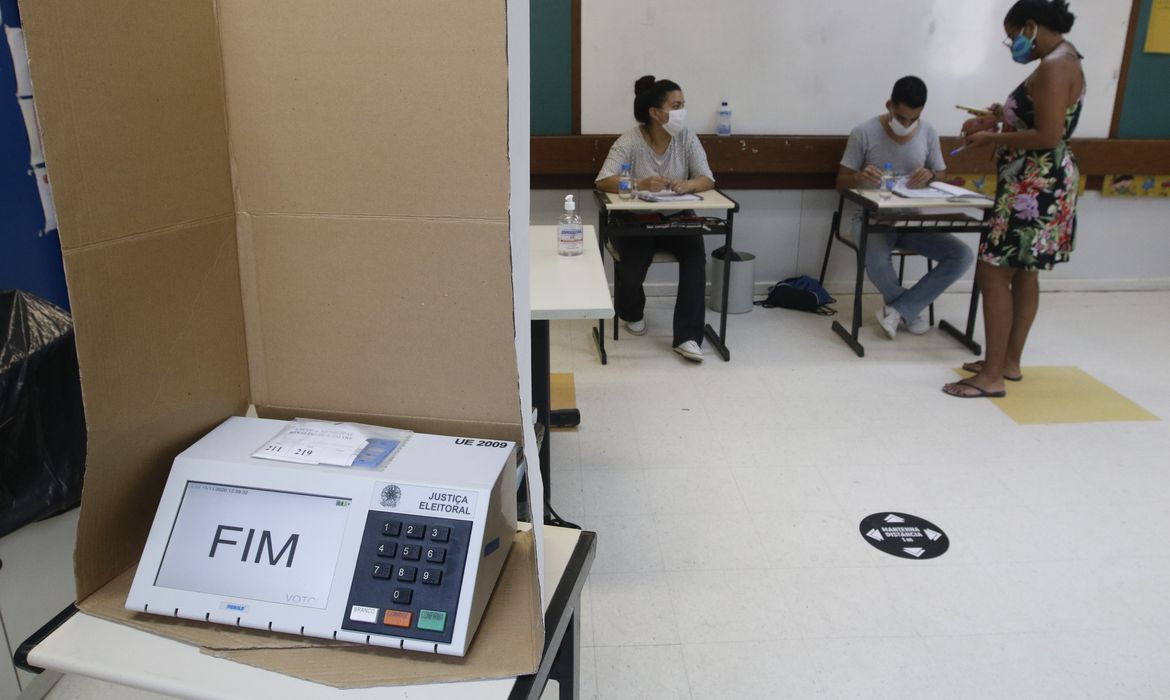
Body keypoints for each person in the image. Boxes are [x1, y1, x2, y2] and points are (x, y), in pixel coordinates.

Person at [943, 0, 1084, 398]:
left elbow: (1048, 135)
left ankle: (991, 376)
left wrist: (993, 137)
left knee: (993, 271)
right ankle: (1007, 362)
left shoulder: (1055, 66)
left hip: (1033, 185)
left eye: (1013, 37)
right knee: (1024, 271)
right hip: (1039, 180)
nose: (1014, 46)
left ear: (1031, 27)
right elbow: (1040, 119)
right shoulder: (1066, 58)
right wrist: (1001, 117)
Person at [837, 76, 975, 339]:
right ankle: (906, 310)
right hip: (871, 218)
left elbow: (941, 174)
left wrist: (930, 176)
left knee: (962, 255)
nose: (906, 125)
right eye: (901, 118)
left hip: (912, 220)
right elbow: (840, 182)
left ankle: (899, 310)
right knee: (877, 262)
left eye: (914, 119)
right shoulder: (863, 132)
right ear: (889, 105)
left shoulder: (928, 132)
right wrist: (858, 177)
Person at [595, 76, 715, 363]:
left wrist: (688, 185)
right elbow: (604, 180)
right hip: (637, 221)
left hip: (677, 218)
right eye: (676, 106)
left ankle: (687, 337)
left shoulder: (686, 137)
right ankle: (631, 311)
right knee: (633, 266)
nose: (682, 112)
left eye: (683, 105)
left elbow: (707, 178)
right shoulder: (630, 141)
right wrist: (640, 183)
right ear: (655, 112)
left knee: (695, 259)